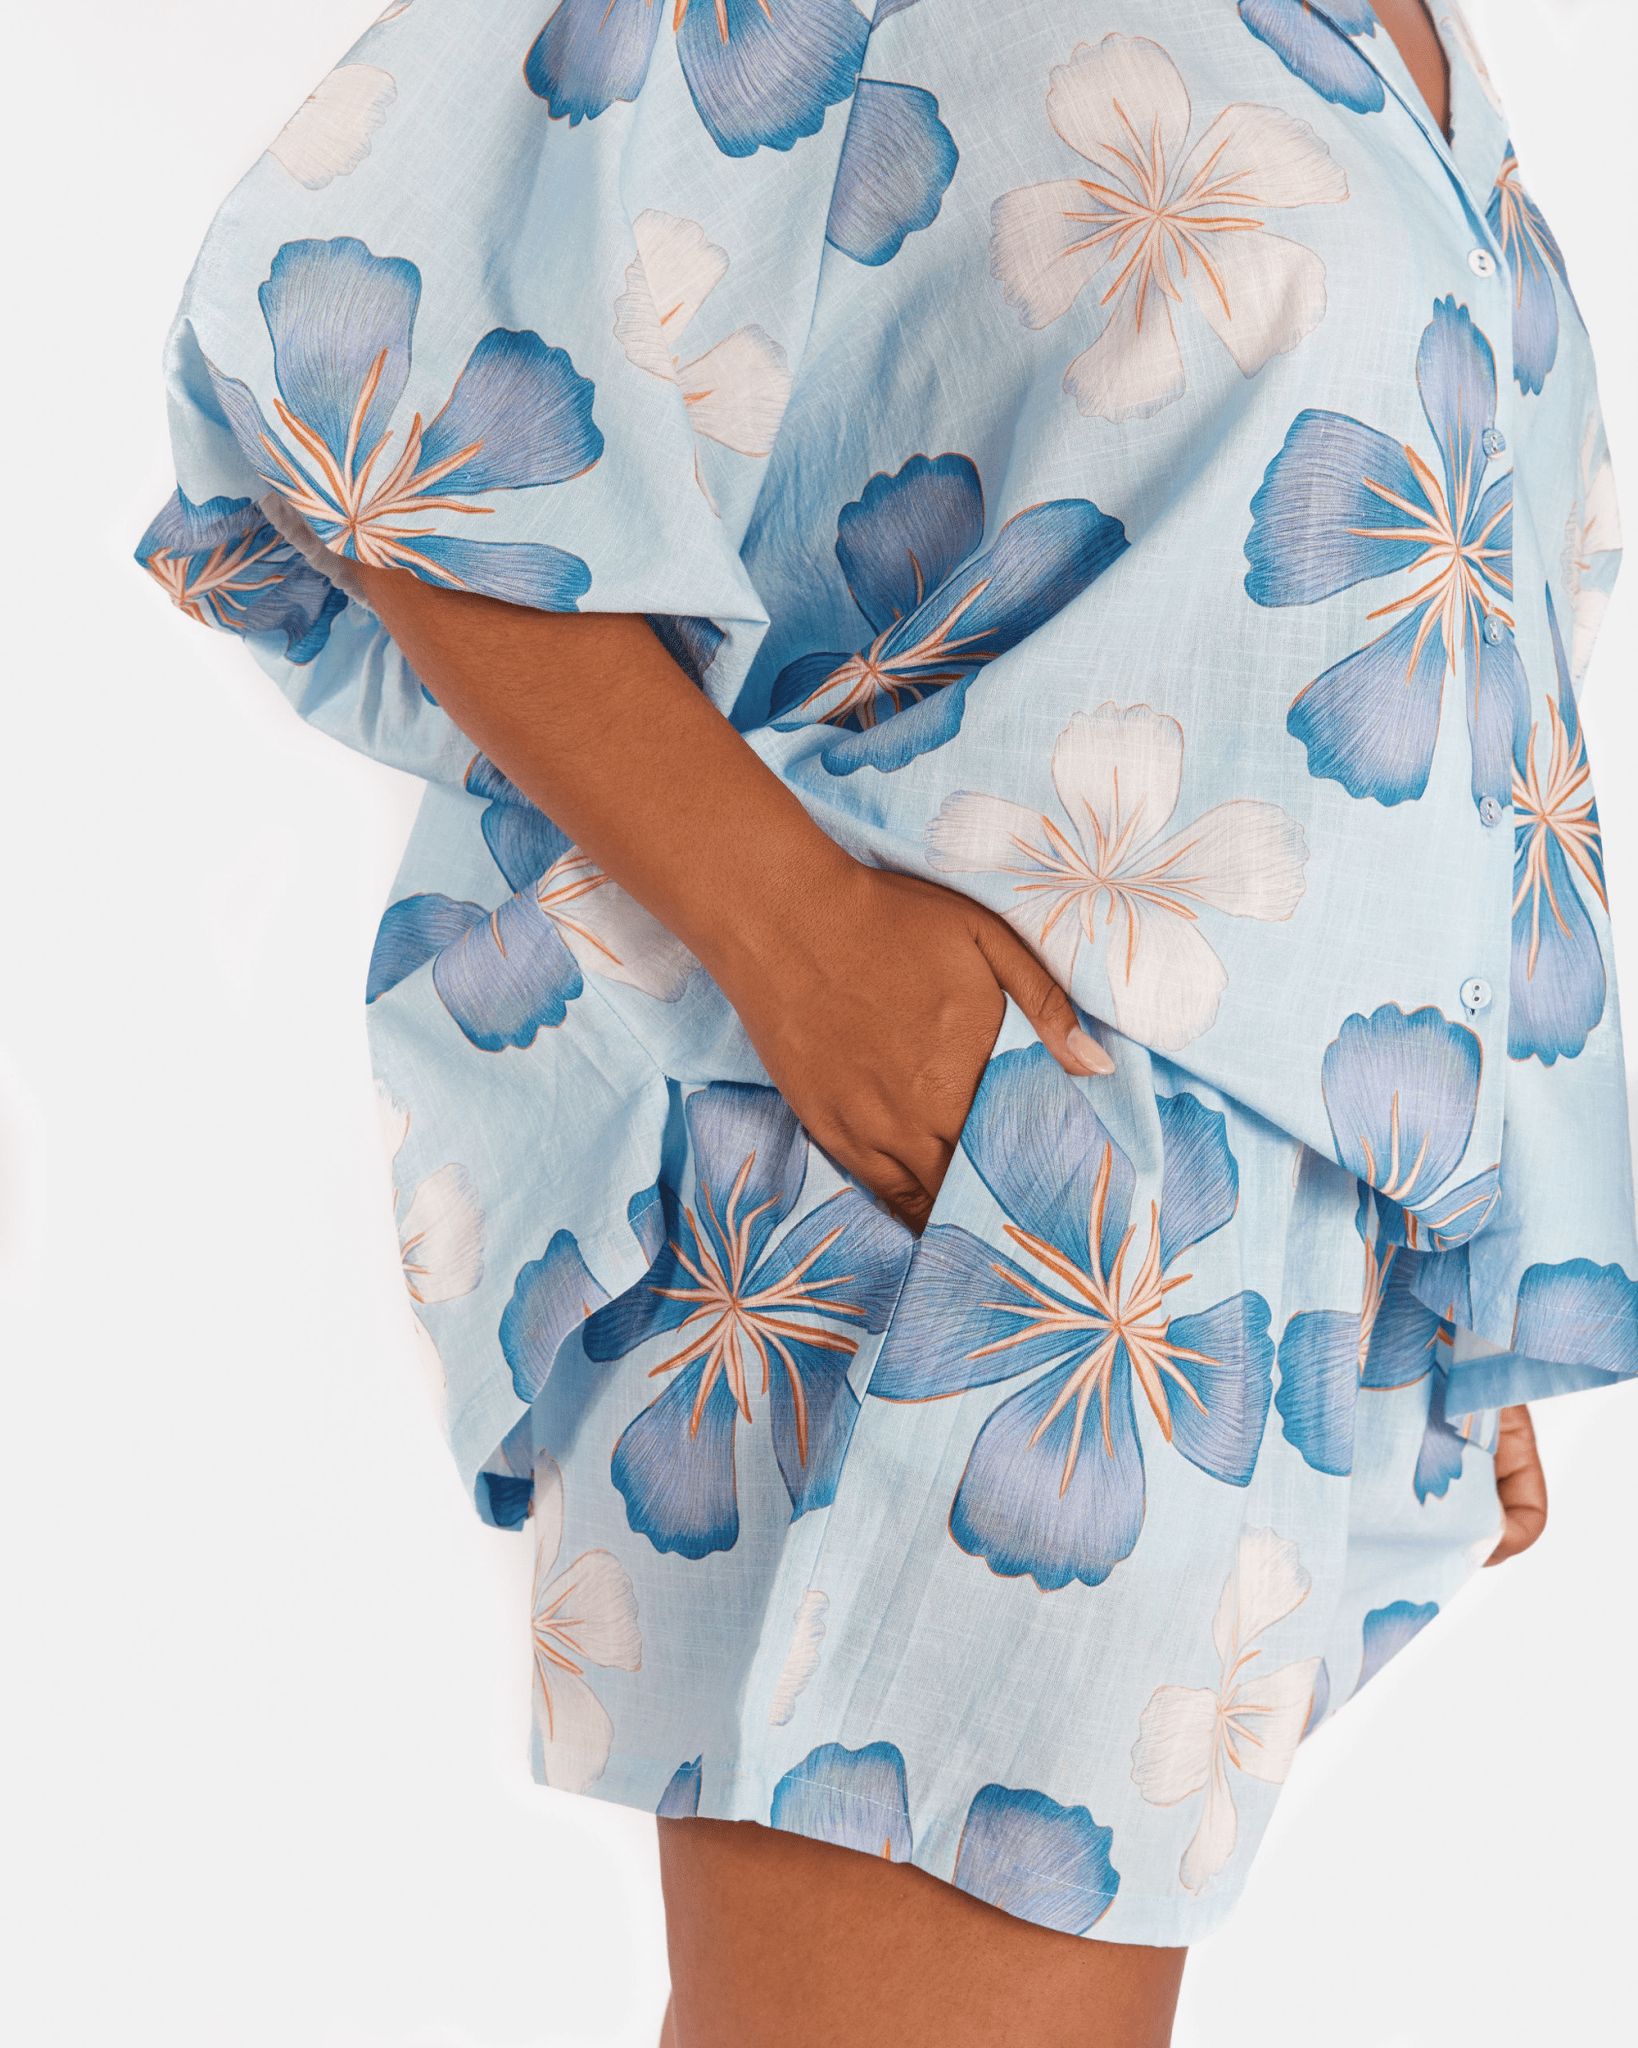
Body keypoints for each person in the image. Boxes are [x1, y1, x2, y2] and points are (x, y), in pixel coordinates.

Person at [137, 3, 1618, 2041]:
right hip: (968, 1176)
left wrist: (1451, 1210)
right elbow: (361, 355)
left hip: (1226, 1251)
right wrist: (802, 933)